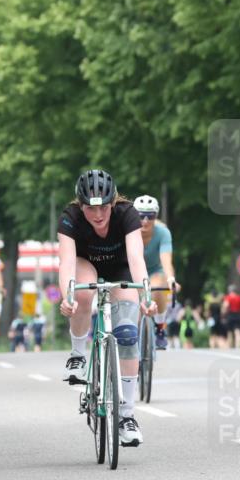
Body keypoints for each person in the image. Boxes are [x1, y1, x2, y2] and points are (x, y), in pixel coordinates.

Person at [58, 168, 156, 448]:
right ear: (81, 206)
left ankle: (126, 417)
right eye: (90, 209)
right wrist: (68, 295)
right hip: (85, 263)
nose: (98, 216)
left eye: (103, 209)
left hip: (121, 267)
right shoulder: (70, 216)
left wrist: (146, 295)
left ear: (113, 203)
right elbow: (66, 261)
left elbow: (137, 258)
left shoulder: (127, 213)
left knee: (127, 333)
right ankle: (78, 354)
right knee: (82, 293)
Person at [134, 195, 181, 350]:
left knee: (157, 288)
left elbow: (166, 260)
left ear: (156, 216)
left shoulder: (163, 233)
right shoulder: (128, 232)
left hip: (155, 271)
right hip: (132, 271)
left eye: (150, 216)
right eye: (141, 216)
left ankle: (160, 327)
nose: (145, 220)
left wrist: (171, 279)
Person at [222, 284, 240, 348]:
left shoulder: (228, 297)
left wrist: (223, 314)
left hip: (230, 315)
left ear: (229, 291)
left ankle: (230, 346)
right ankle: (238, 346)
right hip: (238, 315)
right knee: (238, 331)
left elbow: (225, 306)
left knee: (229, 332)